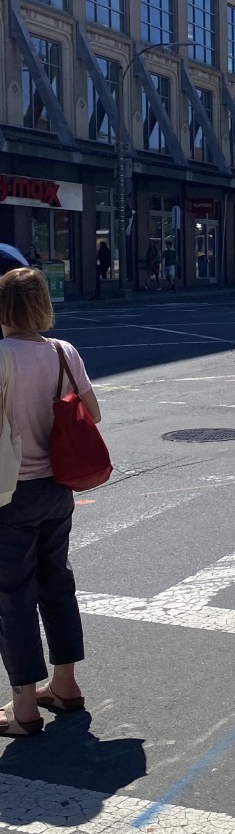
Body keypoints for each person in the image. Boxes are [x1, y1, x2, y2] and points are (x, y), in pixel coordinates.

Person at [0, 268, 100, 735]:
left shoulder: (2, 356)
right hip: (58, 487)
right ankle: (64, 684)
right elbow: (93, 412)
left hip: (10, 492)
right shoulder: (63, 351)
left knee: (12, 596)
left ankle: (23, 707)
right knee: (56, 582)